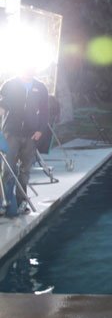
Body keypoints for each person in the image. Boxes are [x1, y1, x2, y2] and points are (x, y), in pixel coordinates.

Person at [0, 66, 49, 217]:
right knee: (7, 170)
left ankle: (21, 202)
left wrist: (40, 130)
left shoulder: (40, 87)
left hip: (31, 135)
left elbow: (45, 111)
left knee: (25, 171)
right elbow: (2, 105)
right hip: (11, 134)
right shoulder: (9, 84)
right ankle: (4, 203)